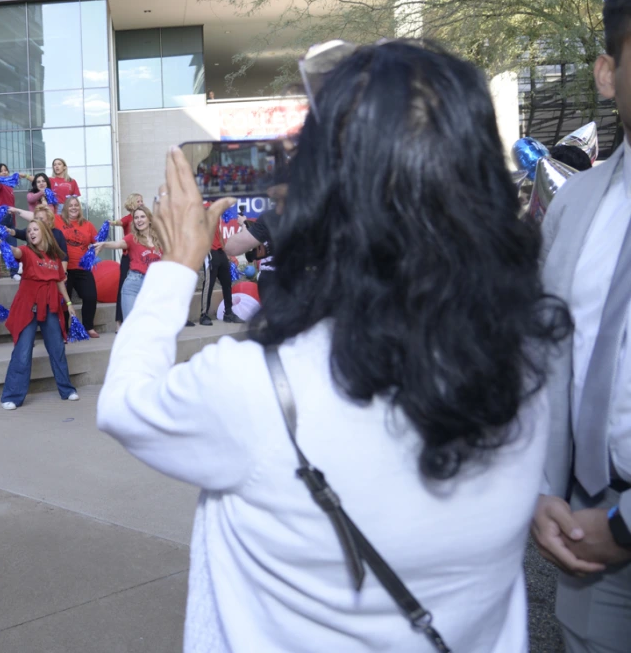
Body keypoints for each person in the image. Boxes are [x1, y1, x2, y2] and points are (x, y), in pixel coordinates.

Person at [99, 42, 572, 652]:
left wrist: (177, 266)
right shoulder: (529, 355)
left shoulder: (257, 385)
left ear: (326, 191)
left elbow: (125, 402)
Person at [531, 0, 631, 652]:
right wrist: (539, 492)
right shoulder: (574, 202)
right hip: (583, 534)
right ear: (607, 73)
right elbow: (545, 360)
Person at [0, 219, 79, 410]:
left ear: (44, 232)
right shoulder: (26, 252)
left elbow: (60, 280)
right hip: (28, 306)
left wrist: (68, 303)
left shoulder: (55, 257)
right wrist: (2, 245)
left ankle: (66, 390)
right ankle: (12, 396)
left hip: (51, 305)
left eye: (35, 229)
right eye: (29, 231)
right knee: (23, 351)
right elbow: (16, 252)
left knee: (57, 348)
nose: (32, 233)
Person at [95, 206, 160, 322]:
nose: (139, 220)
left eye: (142, 217)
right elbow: (117, 244)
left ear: (149, 219)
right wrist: (104, 244)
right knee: (131, 325)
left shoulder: (160, 240)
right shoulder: (132, 238)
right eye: (136, 218)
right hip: (134, 284)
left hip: (154, 285)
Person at [59, 196, 100, 338]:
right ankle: (63, 330)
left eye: (76, 205)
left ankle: (88, 326)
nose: (73, 207)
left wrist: (94, 254)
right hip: (64, 269)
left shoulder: (87, 225)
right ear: (65, 207)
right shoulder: (58, 221)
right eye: (70, 205)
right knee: (64, 300)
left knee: (91, 296)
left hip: (83, 268)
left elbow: (98, 243)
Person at [199, 208, 243, 325]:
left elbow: (218, 232)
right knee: (209, 283)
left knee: (227, 282)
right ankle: (204, 315)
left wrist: (225, 251)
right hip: (209, 251)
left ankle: (228, 313)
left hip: (220, 251)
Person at [110, 193, 143, 330]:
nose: (141, 203)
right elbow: (117, 222)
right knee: (123, 289)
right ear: (132, 203)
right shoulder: (128, 219)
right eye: (138, 201)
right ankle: (119, 322)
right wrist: (109, 222)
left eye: (142, 201)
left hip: (141, 258)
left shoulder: (145, 218)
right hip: (128, 258)